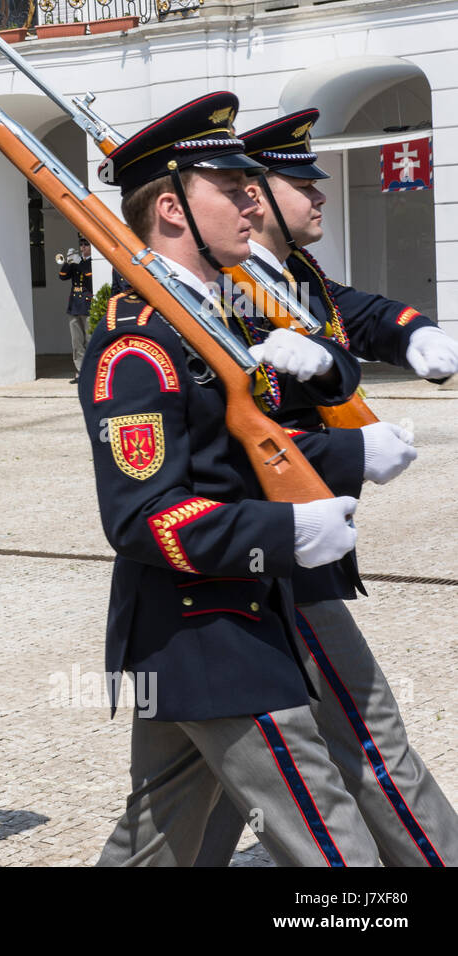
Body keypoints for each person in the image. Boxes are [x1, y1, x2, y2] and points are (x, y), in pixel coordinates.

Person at [80, 93, 382, 865]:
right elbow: (145, 515)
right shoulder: (136, 347)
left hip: (235, 621)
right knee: (336, 850)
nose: (254, 202)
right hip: (208, 633)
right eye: (232, 187)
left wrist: (350, 457)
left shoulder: (218, 320)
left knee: (159, 843)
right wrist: (285, 531)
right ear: (172, 210)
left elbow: (254, 447)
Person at [187, 110, 458, 866]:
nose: (320, 196)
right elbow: (233, 436)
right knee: (366, 729)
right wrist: (347, 453)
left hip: (293, 542)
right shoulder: (225, 293)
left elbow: (350, 313)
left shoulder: (289, 275)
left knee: (221, 765)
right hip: (275, 545)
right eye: (299, 185)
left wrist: (410, 330)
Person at [59, 236, 93, 382]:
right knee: (77, 341)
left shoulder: (92, 262)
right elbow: (62, 276)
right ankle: (80, 370)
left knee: (90, 339)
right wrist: (68, 261)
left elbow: (89, 276)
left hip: (87, 305)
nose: (83, 247)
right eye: (81, 244)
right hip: (74, 306)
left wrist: (79, 262)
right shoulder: (75, 262)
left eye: (86, 244)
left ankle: (92, 371)